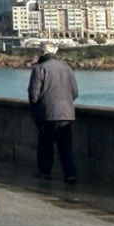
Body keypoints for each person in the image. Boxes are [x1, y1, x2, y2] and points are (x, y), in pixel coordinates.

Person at [28, 41, 79, 183]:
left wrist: (36, 108)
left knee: (46, 143)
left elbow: (34, 94)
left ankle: (45, 172)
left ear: (42, 52)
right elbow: (75, 92)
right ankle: (70, 174)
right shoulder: (67, 68)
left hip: (46, 113)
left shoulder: (39, 69)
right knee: (66, 145)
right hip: (66, 113)